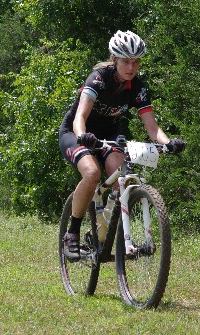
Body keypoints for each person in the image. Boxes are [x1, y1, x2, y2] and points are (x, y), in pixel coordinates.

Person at [58, 30, 185, 260]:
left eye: (136, 62)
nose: (131, 67)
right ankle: (72, 233)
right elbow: (80, 117)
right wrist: (83, 136)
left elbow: (152, 128)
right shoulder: (98, 78)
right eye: (126, 61)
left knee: (121, 179)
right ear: (115, 59)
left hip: (107, 135)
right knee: (92, 173)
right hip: (77, 132)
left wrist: (169, 144)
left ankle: (114, 235)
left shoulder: (137, 87)